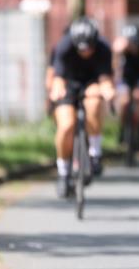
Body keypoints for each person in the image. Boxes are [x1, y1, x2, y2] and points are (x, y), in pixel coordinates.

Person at [48, 17, 115, 198]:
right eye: (81, 48)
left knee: (93, 104)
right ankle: (63, 173)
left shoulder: (103, 49)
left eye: (89, 48)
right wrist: (56, 91)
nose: (85, 52)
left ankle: (95, 153)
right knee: (66, 125)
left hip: (91, 83)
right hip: (68, 84)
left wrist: (108, 91)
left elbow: (105, 80)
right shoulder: (63, 47)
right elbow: (57, 79)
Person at [112, 24, 139, 146]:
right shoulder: (120, 46)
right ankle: (121, 131)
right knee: (124, 102)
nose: (134, 47)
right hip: (125, 78)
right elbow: (115, 66)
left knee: (138, 98)